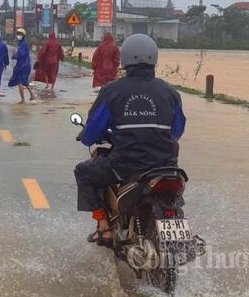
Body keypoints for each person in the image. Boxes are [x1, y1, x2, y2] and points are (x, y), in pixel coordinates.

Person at [74, 34, 185, 245]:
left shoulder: (112, 91)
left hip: (125, 166)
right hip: (167, 168)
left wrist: (88, 135)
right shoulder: (170, 93)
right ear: (154, 58)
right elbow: (177, 130)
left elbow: (91, 135)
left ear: (124, 59)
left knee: (84, 171)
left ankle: (104, 228)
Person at [8, 28, 35, 103]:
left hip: (23, 66)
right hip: (24, 65)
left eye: (20, 34)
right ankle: (32, 95)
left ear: (23, 35)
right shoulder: (22, 43)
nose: (18, 36)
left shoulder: (23, 44)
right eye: (18, 34)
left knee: (20, 82)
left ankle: (23, 99)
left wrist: (14, 55)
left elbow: (21, 54)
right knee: (25, 82)